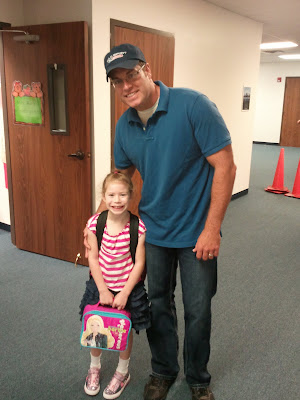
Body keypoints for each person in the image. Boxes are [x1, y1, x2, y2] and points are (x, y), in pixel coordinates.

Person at [85, 43, 236, 400]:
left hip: (198, 234)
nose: (126, 85)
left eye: (132, 74)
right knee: (156, 305)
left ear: (147, 70)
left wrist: (212, 228)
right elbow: (117, 182)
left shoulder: (193, 106)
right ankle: (163, 371)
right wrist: (96, 224)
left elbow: (225, 167)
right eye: (117, 81)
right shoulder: (125, 125)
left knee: (198, 310)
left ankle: (198, 379)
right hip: (153, 234)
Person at [80, 171, 150, 399]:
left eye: (122, 195)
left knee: (123, 328)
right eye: (111, 195)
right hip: (101, 285)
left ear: (130, 196)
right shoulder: (94, 223)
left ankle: (122, 371)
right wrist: (102, 289)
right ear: (104, 195)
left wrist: (125, 292)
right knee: (96, 326)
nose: (116, 200)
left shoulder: (137, 227)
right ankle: (95, 367)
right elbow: (92, 258)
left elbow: (139, 262)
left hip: (127, 289)